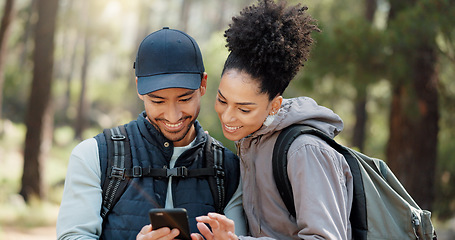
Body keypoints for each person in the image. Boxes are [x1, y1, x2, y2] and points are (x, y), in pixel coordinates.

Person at [56, 27, 247, 240]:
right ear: (139, 88)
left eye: (184, 99)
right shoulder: (94, 155)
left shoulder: (229, 168)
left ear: (203, 84)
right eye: (158, 101)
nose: (173, 116)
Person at [194, 0, 353, 239]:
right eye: (222, 100)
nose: (227, 116)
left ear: (274, 105)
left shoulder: (305, 151)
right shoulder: (252, 141)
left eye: (244, 109)